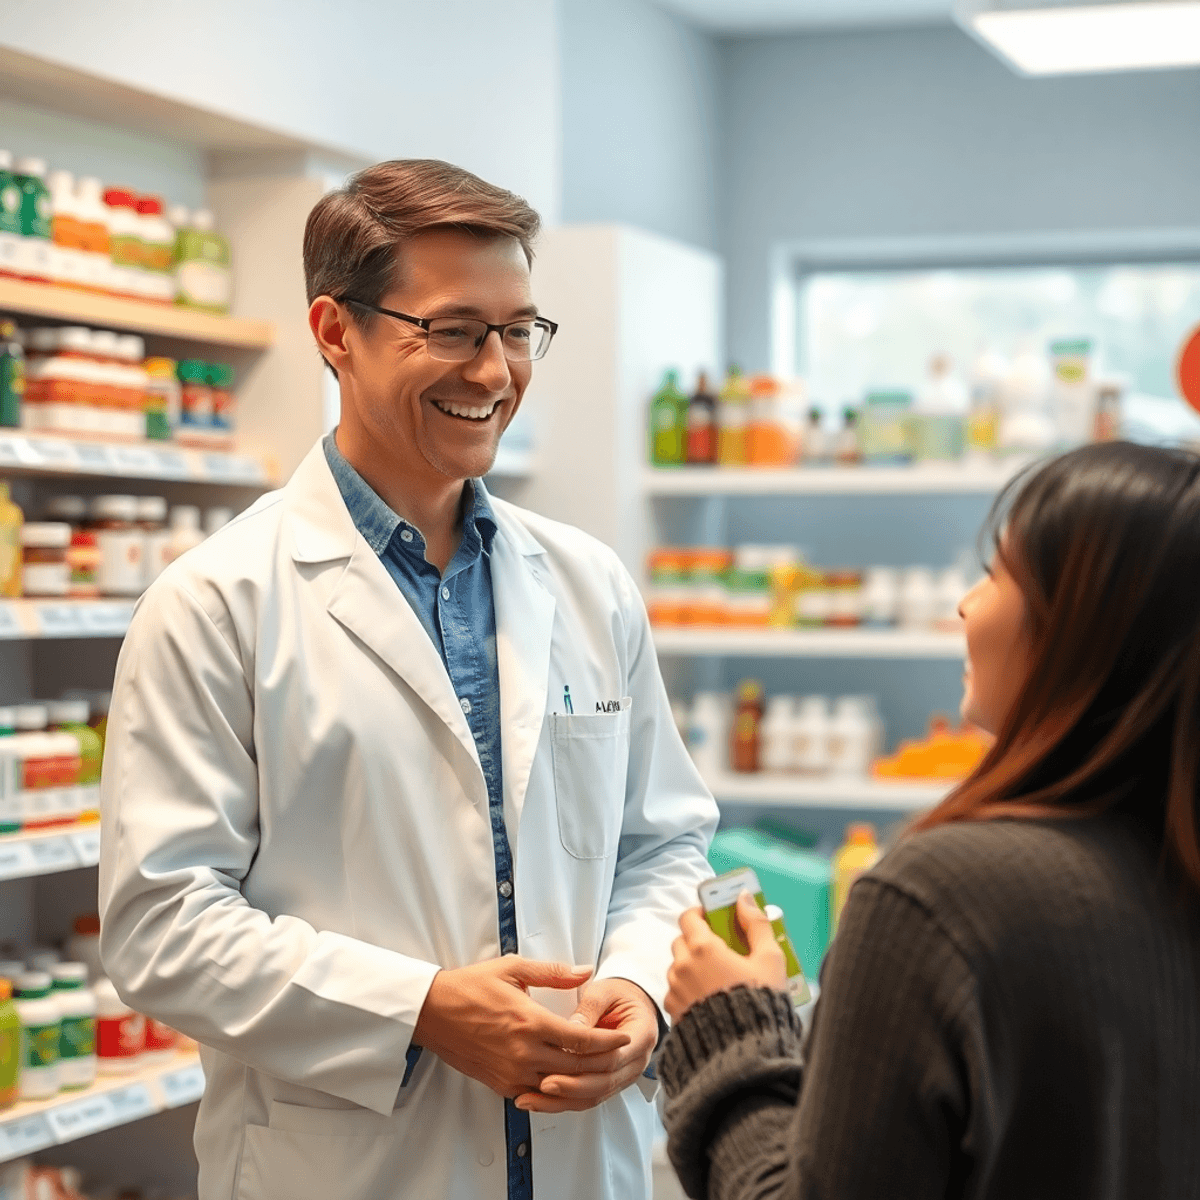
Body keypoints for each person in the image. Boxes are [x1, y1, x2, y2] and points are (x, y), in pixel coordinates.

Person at [98, 159, 718, 1200]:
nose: (494, 372)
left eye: (518, 331)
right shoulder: (217, 602)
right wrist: (422, 1008)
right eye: (454, 329)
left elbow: (662, 842)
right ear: (336, 332)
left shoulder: (586, 583)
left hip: (577, 1164)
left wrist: (638, 990)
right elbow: (162, 924)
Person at [658, 441, 1200, 1199]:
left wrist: (736, 1025)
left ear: (1084, 626)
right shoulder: (1164, 868)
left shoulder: (943, 897)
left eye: (998, 574)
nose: (965, 605)